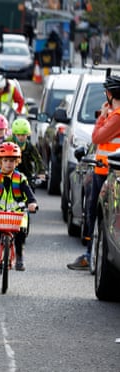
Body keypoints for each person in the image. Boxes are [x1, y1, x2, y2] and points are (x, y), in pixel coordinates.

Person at [68, 74, 120, 270]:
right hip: (103, 169)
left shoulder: (117, 116)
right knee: (92, 214)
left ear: (109, 94)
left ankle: (91, 256)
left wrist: (101, 117)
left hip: (108, 172)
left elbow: (97, 136)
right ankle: (90, 254)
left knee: (98, 216)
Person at [0, 142, 38, 271]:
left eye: (12, 161)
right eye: (5, 160)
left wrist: (32, 203)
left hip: (17, 211)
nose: (8, 164)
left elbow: (28, 193)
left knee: (20, 232)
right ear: (0, 162)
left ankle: (20, 257)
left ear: (17, 162)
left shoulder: (20, 178)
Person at [8, 118, 45, 183]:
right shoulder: (8, 144)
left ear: (27, 134)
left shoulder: (30, 147)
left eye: (23, 135)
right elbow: (0, 158)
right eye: (18, 135)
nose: (21, 137)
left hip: (27, 176)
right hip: (10, 174)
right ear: (14, 134)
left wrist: (41, 172)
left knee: (30, 190)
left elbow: (38, 159)